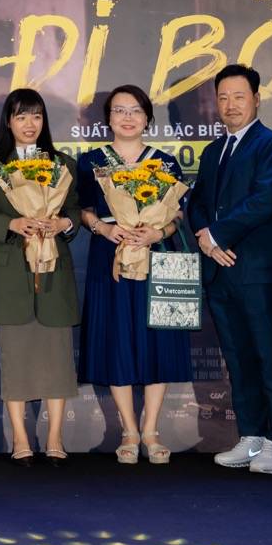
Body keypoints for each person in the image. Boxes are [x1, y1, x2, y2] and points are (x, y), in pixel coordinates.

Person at [187, 64, 272, 475]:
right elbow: (197, 203)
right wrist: (205, 237)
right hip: (220, 271)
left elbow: (263, 201)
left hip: (258, 272)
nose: (230, 105)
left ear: (256, 98)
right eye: (223, 97)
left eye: (239, 96)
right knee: (237, 358)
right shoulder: (213, 151)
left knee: (269, 356)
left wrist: (216, 235)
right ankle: (251, 436)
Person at [76, 86, 190, 464]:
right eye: (119, 110)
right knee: (116, 340)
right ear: (108, 118)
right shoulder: (92, 160)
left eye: (136, 110)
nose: (128, 117)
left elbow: (177, 215)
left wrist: (160, 232)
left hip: (156, 256)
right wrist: (104, 229)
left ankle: (152, 430)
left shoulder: (165, 162)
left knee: (159, 341)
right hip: (110, 257)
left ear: (147, 118)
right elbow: (85, 211)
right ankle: (128, 430)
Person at [0, 89, 81, 468]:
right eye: (21, 116)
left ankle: (54, 438)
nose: (29, 124)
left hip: (55, 270)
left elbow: (74, 213)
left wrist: (61, 223)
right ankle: (20, 438)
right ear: (8, 121)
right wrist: (15, 223)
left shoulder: (63, 163)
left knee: (56, 356)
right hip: (11, 274)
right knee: (15, 357)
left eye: (36, 116)